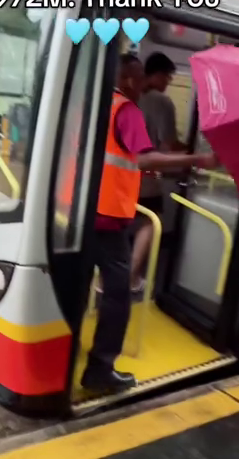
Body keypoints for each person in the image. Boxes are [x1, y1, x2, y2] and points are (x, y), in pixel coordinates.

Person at [81, 53, 218, 395]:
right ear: (129, 79)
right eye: (140, 79)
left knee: (75, 286)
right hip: (108, 219)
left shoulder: (94, 104)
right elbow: (143, 158)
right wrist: (198, 159)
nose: (143, 86)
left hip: (79, 213)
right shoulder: (127, 110)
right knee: (117, 297)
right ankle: (100, 368)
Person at [130, 51, 184, 291]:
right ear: (157, 75)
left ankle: (106, 277)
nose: (167, 83)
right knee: (151, 221)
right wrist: (190, 152)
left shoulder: (130, 97)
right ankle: (131, 277)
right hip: (145, 173)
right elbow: (167, 143)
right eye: (167, 77)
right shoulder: (161, 102)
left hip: (121, 171)